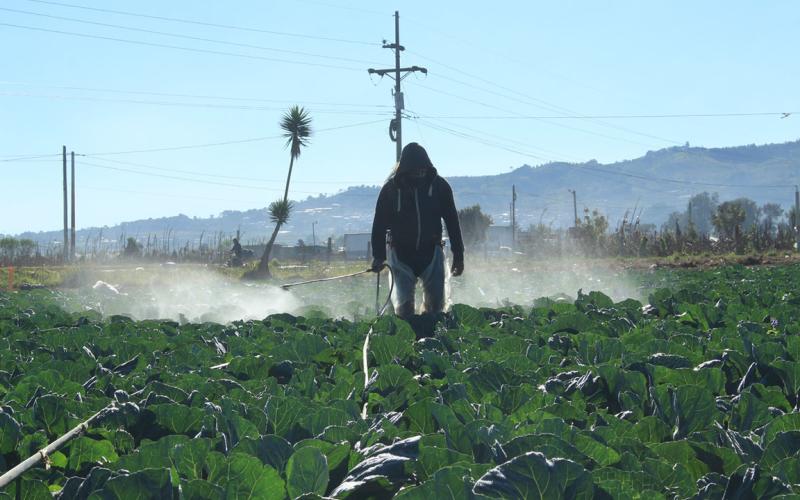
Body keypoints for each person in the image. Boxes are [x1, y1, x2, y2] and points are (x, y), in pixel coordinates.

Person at [370, 142, 464, 319]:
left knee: (436, 307)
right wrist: (378, 256)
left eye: (423, 169)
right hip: (400, 254)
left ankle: (430, 334)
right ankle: (408, 337)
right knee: (404, 309)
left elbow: (452, 221)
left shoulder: (440, 187)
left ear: (428, 167)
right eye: (415, 169)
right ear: (405, 169)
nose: (420, 172)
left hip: (431, 252)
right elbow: (379, 224)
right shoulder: (391, 190)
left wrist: (458, 254)